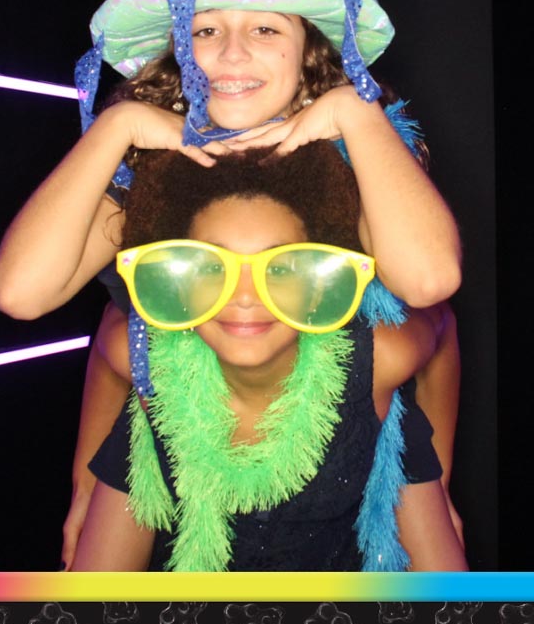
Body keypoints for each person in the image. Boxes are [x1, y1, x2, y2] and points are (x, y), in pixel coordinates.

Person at [0, 0, 463, 566]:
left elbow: (430, 285)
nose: (232, 53)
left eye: (265, 29)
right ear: (178, 49)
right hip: (184, 426)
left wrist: (355, 113)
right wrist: (117, 127)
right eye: (206, 29)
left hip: (340, 430)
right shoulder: (152, 174)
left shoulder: (355, 165)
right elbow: (23, 294)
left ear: (309, 51)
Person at [70, 144, 465, 572]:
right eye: (211, 267)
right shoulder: (147, 356)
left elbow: (441, 324)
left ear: (318, 284)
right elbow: (110, 337)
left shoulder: (378, 360)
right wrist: (83, 487)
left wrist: (441, 479)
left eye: (281, 268)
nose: (244, 297)